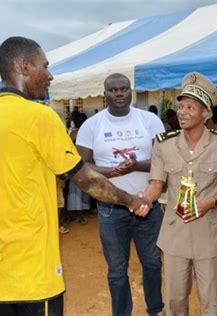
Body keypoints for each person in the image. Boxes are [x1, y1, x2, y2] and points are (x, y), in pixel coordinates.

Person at [0, 36, 150, 316]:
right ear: (24, 67)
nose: (50, 75)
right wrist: (130, 200)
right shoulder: (40, 117)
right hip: (33, 269)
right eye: (45, 66)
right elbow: (84, 178)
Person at [141, 72, 217, 315]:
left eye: (190, 107)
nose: (182, 112)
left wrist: (211, 201)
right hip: (175, 233)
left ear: (205, 112)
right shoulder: (163, 144)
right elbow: (156, 185)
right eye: (180, 106)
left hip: (209, 233)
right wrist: (142, 200)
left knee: (211, 302)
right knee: (175, 301)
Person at [76, 73, 165, 316]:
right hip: (111, 208)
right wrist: (111, 171)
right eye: (113, 90)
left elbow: (162, 160)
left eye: (123, 89)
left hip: (148, 205)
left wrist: (136, 166)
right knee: (116, 270)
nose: (119, 94)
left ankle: (155, 309)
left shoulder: (150, 120)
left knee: (153, 263)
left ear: (131, 91)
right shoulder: (91, 126)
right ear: (104, 94)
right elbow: (81, 166)